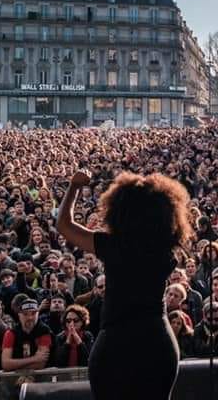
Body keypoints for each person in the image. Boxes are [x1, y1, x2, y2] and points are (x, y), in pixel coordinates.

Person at [56, 170, 192, 400]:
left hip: (115, 343)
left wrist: (75, 186)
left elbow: (64, 224)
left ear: (119, 211)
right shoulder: (166, 253)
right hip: (157, 342)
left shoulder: (111, 245)